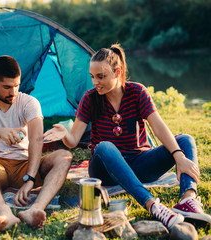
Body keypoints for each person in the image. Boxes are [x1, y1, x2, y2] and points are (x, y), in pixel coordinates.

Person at [43, 44, 210, 229]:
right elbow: (73, 141)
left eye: (101, 76)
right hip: (105, 169)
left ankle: (187, 200)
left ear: (117, 72)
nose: (95, 82)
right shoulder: (89, 99)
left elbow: (159, 127)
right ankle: (153, 206)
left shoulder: (137, 92)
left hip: (140, 164)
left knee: (185, 140)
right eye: (92, 77)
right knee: (105, 146)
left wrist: (178, 156)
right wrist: (65, 135)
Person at [0, 55, 72, 232]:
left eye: (16, 86)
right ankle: (4, 212)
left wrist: (30, 179)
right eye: (6, 87)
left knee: (64, 156)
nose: (12, 92)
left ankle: (36, 209)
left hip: (25, 166)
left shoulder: (29, 103)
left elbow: (36, 140)